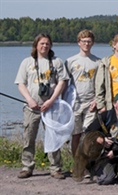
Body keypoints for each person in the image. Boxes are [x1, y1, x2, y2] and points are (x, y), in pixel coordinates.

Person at [15, 33, 69, 179]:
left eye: (47, 43)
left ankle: (56, 168)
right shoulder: (27, 62)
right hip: (31, 107)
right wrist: (30, 100)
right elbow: (21, 84)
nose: (44, 46)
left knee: (53, 138)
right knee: (29, 137)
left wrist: (51, 100)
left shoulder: (57, 62)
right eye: (42, 43)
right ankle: (27, 166)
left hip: (51, 107)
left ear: (50, 45)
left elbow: (62, 82)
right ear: (36, 45)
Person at [64, 29, 100, 158]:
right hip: (75, 103)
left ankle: (87, 162)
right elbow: (64, 84)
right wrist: (63, 103)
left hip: (91, 103)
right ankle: (77, 163)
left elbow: (100, 84)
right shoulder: (70, 61)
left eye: (89, 41)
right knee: (76, 135)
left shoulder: (97, 62)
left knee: (88, 135)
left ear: (92, 43)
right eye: (84, 41)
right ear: (79, 42)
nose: (86, 44)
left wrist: (97, 99)